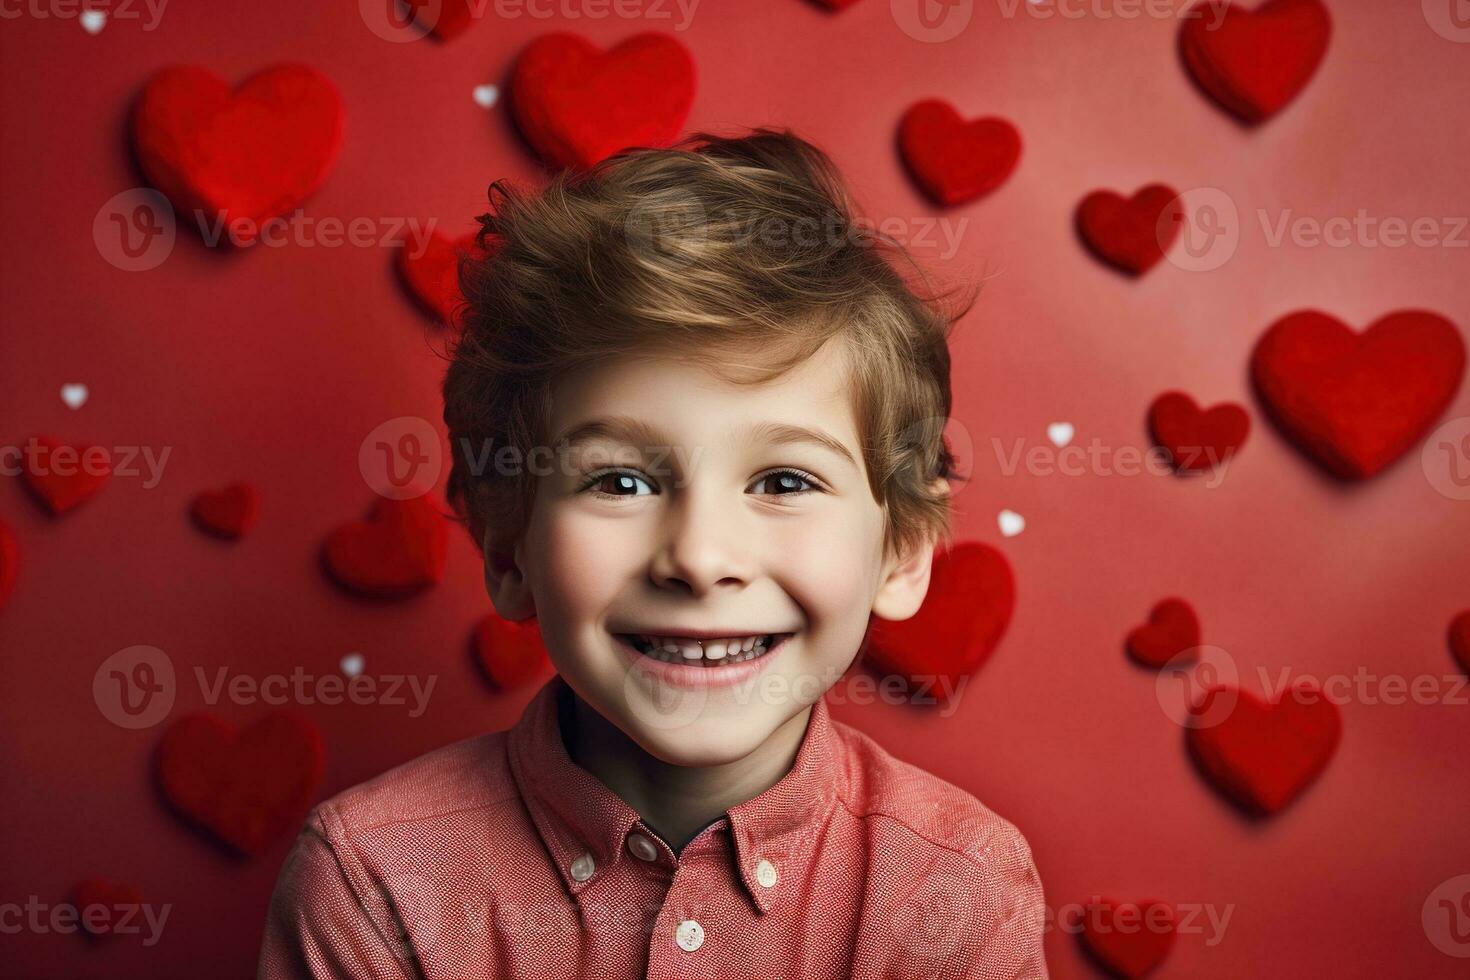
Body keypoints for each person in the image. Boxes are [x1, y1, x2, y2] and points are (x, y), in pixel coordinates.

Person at [258, 127, 1048, 979]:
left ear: (900, 553)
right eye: (621, 483)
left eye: (784, 482)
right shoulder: (373, 888)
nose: (700, 559)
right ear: (509, 551)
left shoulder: (959, 889)